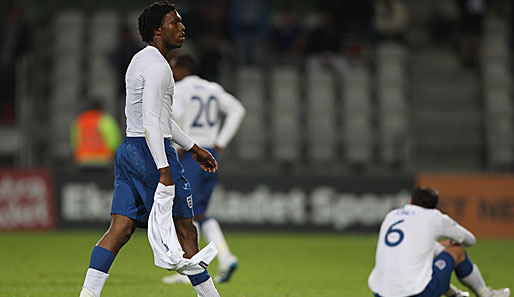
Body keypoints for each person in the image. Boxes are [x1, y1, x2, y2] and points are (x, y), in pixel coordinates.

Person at [79, 2, 221, 297]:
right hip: (150, 152)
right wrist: (164, 169)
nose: (182, 28)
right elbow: (154, 123)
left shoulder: (140, 60)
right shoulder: (159, 68)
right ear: (157, 29)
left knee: (120, 230)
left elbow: (159, 116)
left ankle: (87, 295)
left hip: (129, 150)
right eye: (175, 23)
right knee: (186, 230)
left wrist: (192, 147)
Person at [162, 54, 246, 285]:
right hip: (211, 154)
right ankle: (223, 258)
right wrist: (220, 142)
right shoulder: (213, 89)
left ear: (181, 70)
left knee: (185, 212)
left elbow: (175, 116)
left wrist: (178, 146)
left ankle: (193, 267)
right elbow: (238, 110)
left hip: (192, 154)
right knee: (199, 211)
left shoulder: (180, 88)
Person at [368, 187, 511, 297]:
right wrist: (452, 244)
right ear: (433, 207)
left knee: (419, 261)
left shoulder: (392, 215)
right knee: (456, 251)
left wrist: (436, 247)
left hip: (380, 292)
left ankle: (456, 295)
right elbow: (470, 240)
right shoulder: (434, 217)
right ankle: (485, 294)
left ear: (410, 201)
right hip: (415, 293)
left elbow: (415, 247)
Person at [70, 100, 121, 168]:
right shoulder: (106, 119)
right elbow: (114, 140)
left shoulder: (80, 120)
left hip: (83, 160)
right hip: (103, 160)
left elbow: (74, 141)